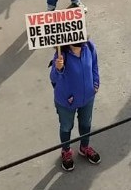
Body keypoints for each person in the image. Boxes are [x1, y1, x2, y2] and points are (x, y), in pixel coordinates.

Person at [51, 40, 101, 171]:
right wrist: (58, 69)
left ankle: (84, 148)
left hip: (87, 98)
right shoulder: (61, 55)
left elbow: (94, 66)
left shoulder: (89, 47)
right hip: (66, 101)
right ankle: (66, 151)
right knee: (66, 127)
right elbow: (53, 78)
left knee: (86, 124)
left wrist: (95, 83)